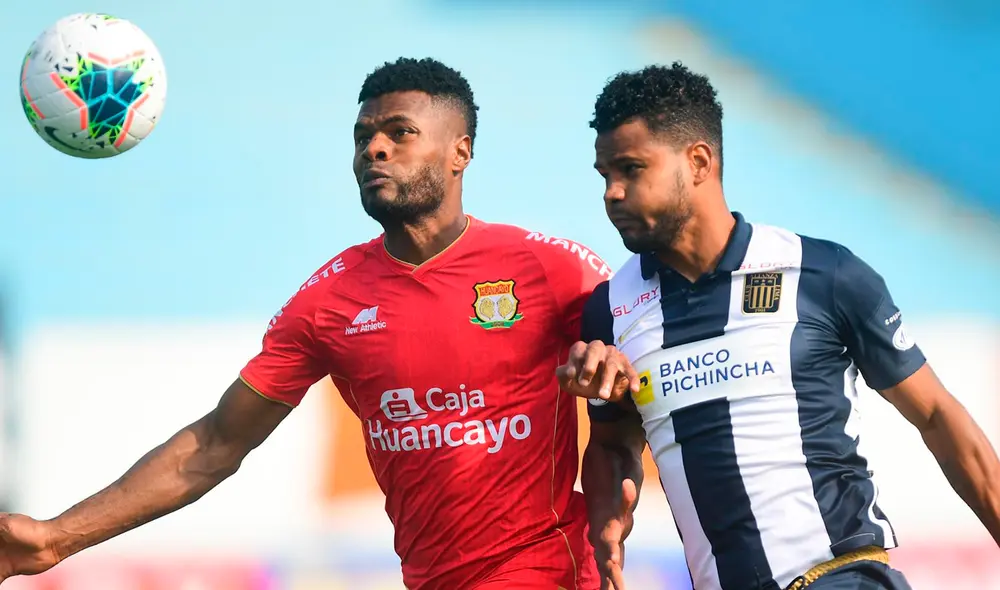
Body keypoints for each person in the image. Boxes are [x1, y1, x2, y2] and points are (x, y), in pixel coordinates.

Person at [0, 57, 638, 590]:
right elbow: (217, 444)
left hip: (553, 570)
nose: (374, 148)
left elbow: (645, 375)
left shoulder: (550, 268)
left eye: (399, 132)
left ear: (459, 152)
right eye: (362, 137)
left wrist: (621, 379)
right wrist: (56, 539)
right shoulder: (329, 302)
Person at [578, 62, 1000, 590]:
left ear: (699, 161)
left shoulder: (822, 274)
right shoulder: (610, 310)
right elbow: (615, 443)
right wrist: (608, 513)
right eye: (605, 176)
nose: (611, 193)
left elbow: (936, 413)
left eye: (631, 169)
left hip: (838, 578)